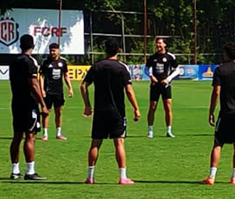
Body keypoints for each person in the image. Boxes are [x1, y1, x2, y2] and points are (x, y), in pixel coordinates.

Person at [81, 40, 141, 185]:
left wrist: (87, 105)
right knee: (119, 143)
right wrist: (136, 108)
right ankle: (122, 177)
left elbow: (83, 86)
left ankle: (90, 177)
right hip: (117, 112)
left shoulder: (97, 66)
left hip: (100, 111)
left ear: (105, 50)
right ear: (118, 50)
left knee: (95, 143)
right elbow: (129, 90)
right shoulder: (121, 68)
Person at [204, 43, 235, 185]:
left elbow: (216, 92)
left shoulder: (220, 70)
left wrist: (211, 111)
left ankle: (212, 177)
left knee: (218, 143)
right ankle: (234, 177)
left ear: (226, 54)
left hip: (226, 112)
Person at [9, 35, 49, 180]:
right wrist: (43, 104)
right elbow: (33, 84)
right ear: (32, 45)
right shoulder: (30, 61)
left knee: (17, 136)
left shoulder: (14, 61)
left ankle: (14, 171)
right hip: (28, 103)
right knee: (30, 136)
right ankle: (30, 171)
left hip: (16, 102)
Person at [146, 37, 180, 138]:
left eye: (160, 43)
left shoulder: (170, 57)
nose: (158, 45)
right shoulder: (152, 57)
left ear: (164, 45)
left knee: (167, 107)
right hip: (155, 85)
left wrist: (168, 79)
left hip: (166, 85)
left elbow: (177, 70)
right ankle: (150, 131)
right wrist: (151, 76)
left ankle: (169, 130)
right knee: (152, 107)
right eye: (157, 44)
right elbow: (146, 69)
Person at [39, 42, 73, 141]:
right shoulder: (46, 62)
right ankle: (45, 134)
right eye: (50, 50)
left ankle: (58, 133)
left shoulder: (63, 62)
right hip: (48, 91)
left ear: (58, 50)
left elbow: (66, 75)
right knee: (46, 112)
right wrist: (42, 90)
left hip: (59, 91)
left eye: (54, 50)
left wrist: (70, 88)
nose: (52, 52)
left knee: (59, 112)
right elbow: (41, 77)